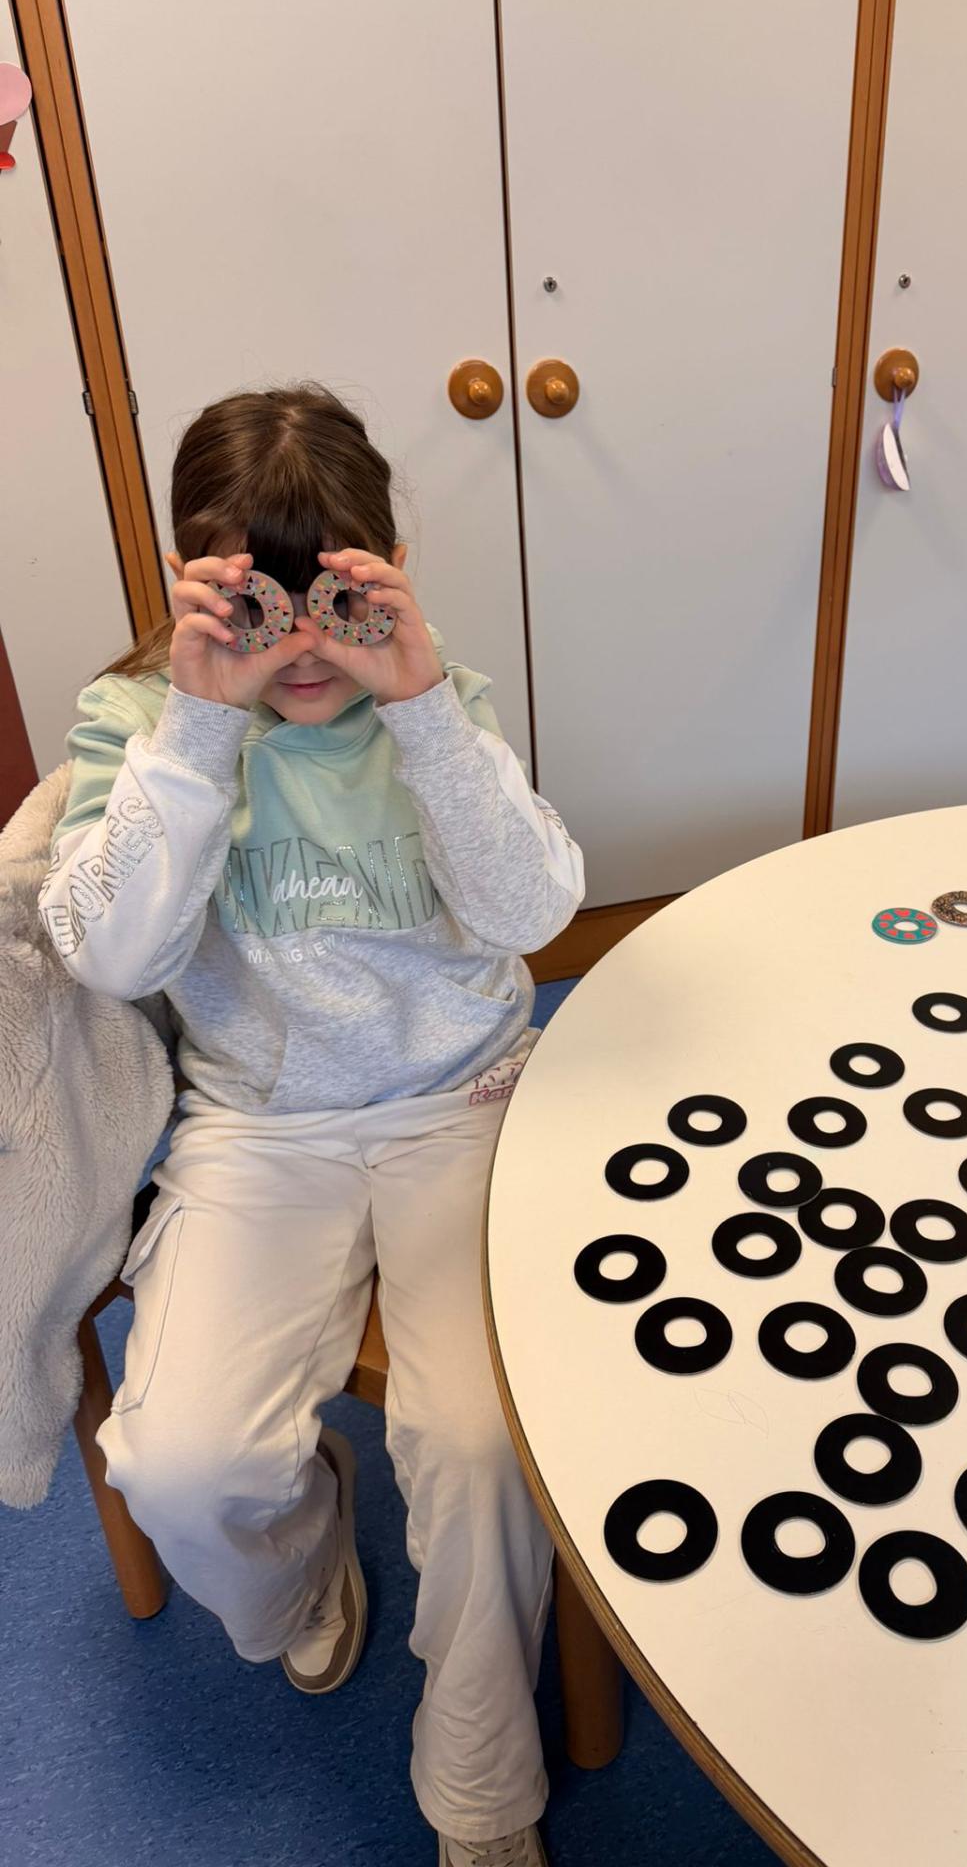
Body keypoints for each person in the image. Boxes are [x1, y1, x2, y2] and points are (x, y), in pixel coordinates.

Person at [39, 384, 584, 1867]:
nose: (299, 649)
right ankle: (306, 1555)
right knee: (180, 1463)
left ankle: (482, 1791)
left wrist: (419, 703)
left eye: (331, 600)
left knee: (479, 1444)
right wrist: (198, 724)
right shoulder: (142, 723)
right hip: (260, 1125)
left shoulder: (434, 698)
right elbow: (111, 955)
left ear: (386, 571)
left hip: (463, 1099)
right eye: (255, 604)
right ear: (191, 584)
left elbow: (533, 914)